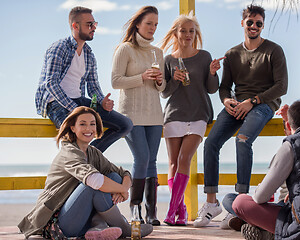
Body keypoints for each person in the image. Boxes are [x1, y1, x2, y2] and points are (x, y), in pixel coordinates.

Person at [194, 4, 288, 227]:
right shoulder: (233, 54)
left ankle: (239, 205)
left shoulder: (274, 51)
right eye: (250, 22)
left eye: (259, 23)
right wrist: (227, 100)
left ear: (262, 25)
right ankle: (211, 203)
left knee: (242, 140)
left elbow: (281, 86)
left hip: (262, 104)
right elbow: (225, 87)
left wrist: (252, 101)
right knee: (211, 143)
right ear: (243, 23)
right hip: (236, 105)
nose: (254, 26)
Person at [18, 106, 153, 239]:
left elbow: (124, 173)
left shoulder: (92, 152)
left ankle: (97, 226)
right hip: (58, 223)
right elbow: (94, 180)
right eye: (82, 124)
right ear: (73, 128)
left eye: (92, 124)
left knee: (113, 177)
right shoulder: (69, 151)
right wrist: (123, 189)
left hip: (81, 218)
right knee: (92, 186)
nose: (88, 129)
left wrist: (123, 186)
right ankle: (125, 229)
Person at [35, 6, 132, 152]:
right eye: (89, 24)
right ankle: (81, 156)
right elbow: (51, 84)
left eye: (95, 24)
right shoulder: (59, 48)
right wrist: (77, 110)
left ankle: (88, 154)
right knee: (73, 141)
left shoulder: (89, 54)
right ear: (75, 26)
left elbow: (92, 86)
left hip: (78, 101)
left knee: (125, 124)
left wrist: (102, 101)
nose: (94, 28)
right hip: (55, 103)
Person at [159, 12, 223, 226]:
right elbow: (164, 93)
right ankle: (181, 210)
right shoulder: (168, 60)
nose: (187, 34)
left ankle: (170, 211)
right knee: (173, 163)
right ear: (176, 33)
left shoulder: (204, 56)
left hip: (198, 114)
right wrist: (175, 80)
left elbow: (211, 89)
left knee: (185, 159)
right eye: (183, 30)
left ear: (196, 34)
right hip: (174, 115)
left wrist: (213, 73)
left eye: (191, 31)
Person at [111, 6, 166, 226]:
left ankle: (151, 212)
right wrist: (141, 77)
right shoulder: (125, 49)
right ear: (137, 24)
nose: (152, 28)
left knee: (152, 161)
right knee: (141, 158)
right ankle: (135, 209)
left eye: (155, 24)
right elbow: (116, 81)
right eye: (149, 23)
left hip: (154, 114)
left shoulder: (158, 52)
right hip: (131, 114)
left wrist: (160, 81)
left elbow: (161, 89)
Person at [232, 100, 300, 240]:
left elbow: (260, 196)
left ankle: (269, 232)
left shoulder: (292, 145)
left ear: (288, 125)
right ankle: (266, 230)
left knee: (239, 202)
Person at [220, 104, 291, 233]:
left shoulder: (287, 150)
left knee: (235, 201)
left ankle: (256, 224)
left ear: (287, 128)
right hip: (287, 208)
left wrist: (262, 191)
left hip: (286, 210)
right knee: (231, 199)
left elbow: (262, 197)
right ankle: (256, 224)